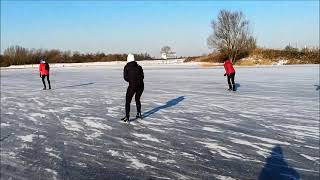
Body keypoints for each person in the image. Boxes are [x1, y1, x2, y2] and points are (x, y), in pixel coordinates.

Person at [121, 54, 144, 122]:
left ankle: (127, 117)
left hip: (132, 86)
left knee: (128, 101)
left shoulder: (126, 67)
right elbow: (142, 76)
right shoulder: (139, 67)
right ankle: (138, 113)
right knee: (137, 99)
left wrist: (131, 81)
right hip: (141, 86)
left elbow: (125, 78)